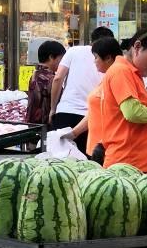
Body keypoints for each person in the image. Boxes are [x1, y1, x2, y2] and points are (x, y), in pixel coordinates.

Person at [98, 31, 147, 173]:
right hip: (127, 166)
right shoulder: (121, 71)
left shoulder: (132, 74)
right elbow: (132, 112)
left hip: (135, 166)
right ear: (137, 47)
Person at [49, 26, 113, 155]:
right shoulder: (110, 60)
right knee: (87, 166)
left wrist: (53, 109)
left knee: (59, 162)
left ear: (91, 40)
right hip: (92, 119)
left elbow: (58, 78)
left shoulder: (74, 51)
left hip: (66, 113)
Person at [72, 34, 121, 163]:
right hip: (97, 148)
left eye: (96, 57)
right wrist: (74, 133)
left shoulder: (118, 77)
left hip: (108, 150)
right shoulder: (107, 79)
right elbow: (95, 113)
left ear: (108, 58)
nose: (94, 61)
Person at [25, 39, 65, 127]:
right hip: (45, 127)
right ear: (51, 57)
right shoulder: (51, 79)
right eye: (61, 59)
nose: (63, 63)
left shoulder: (34, 75)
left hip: (31, 125)